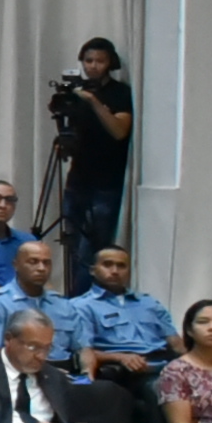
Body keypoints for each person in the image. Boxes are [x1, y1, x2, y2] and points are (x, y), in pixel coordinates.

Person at [71, 245, 179, 423]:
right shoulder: (81, 306)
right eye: (108, 265)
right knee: (161, 386)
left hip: (165, 363)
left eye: (121, 266)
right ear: (93, 270)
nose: (115, 271)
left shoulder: (149, 302)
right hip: (126, 372)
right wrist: (120, 357)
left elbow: (176, 343)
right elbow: (82, 349)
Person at [58, 38, 132, 270]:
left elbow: (119, 131)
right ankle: (73, 296)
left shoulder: (119, 93)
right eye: (88, 61)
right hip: (78, 179)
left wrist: (93, 101)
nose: (93, 66)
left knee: (96, 247)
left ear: (111, 63)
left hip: (106, 181)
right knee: (72, 244)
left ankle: (88, 296)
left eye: (100, 61)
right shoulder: (76, 93)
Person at [0, 240, 80, 364]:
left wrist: (86, 373)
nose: (41, 268)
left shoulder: (63, 304)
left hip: (64, 372)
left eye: (46, 263)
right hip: (17, 371)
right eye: (33, 262)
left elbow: (83, 348)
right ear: (16, 265)